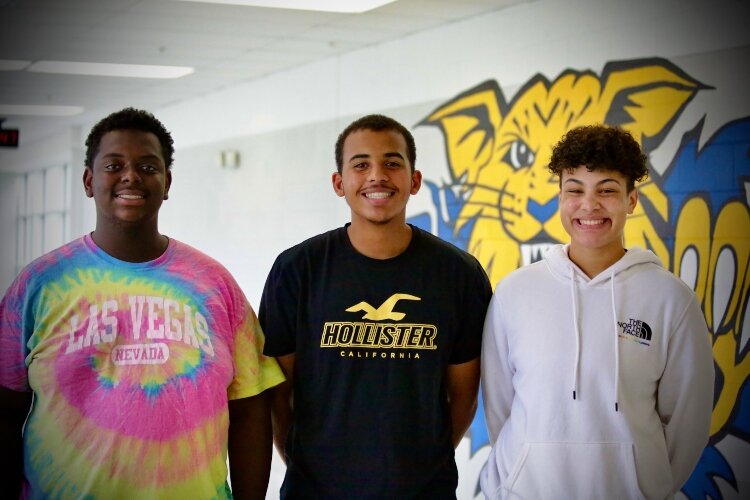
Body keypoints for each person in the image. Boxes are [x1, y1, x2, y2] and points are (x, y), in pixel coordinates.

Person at [0, 108, 285, 499]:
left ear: (167, 183)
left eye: (148, 166)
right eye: (114, 165)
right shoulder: (39, 285)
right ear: (89, 181)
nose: (131, 175)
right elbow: (5, 410)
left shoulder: (215, 285)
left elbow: (251, 406)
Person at [259, 114, 492, 498]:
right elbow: (275, 391)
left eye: (393, 163)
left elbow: (465, 393)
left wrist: (421, 464)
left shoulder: (458, 274)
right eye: (361, 164)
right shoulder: (298, 269)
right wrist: (303, 461)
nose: (377, 176)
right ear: (339, 183)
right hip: (315, 491)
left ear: (414, 181)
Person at [479, 124, 714, 499]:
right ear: (559, 196)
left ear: (631, 200)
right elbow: (499, 408)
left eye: (606, 190)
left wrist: (646, 486)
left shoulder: (671, 299)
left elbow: (688, 420)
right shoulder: (514, 292)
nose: (589, 205)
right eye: (575, 190)